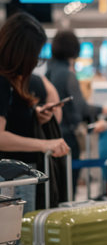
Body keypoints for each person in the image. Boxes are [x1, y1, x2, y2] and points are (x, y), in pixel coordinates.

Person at [0, 13, 70, 213]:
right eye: (35, 55)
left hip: (17, 176)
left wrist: (36, 115)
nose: (35, 62)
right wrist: (44, 144)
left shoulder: (14, 80)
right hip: (8, 179)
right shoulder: (2, 82)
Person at [46, 30, 107, 192]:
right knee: (68, 186)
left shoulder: (49, 71)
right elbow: (81, 107)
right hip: (67, 136)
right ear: (75, 50)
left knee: (56, 187)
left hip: (50, 134)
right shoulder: (67, 74)